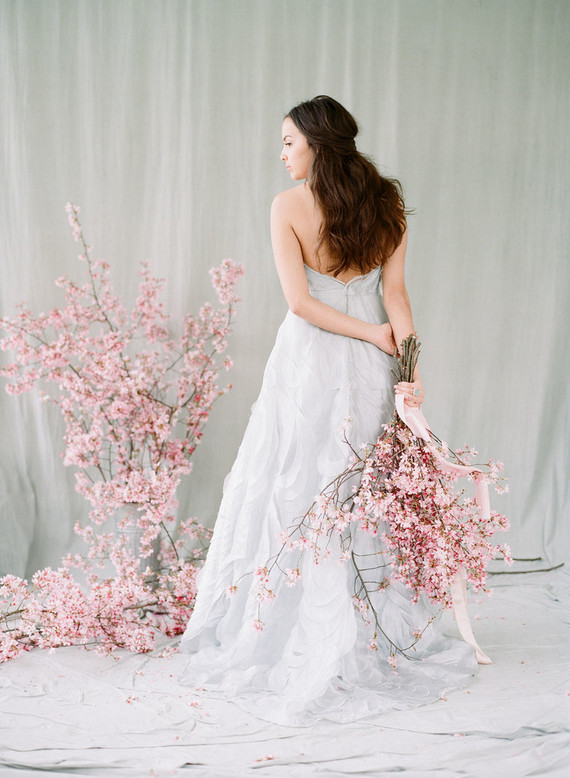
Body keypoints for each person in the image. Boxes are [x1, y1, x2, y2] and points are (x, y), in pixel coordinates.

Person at [179, 96, 477, 725]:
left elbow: (301, 304)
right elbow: (395, 298)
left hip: (311, 359)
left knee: (300, 483)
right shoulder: (386, 202)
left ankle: (294, 629)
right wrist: (407, 369)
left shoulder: (287, 206)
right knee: (346, 489)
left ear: (316, 144)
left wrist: (395, 358)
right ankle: (356, 631)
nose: (281, 152)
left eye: (288, 141)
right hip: (369, 361)